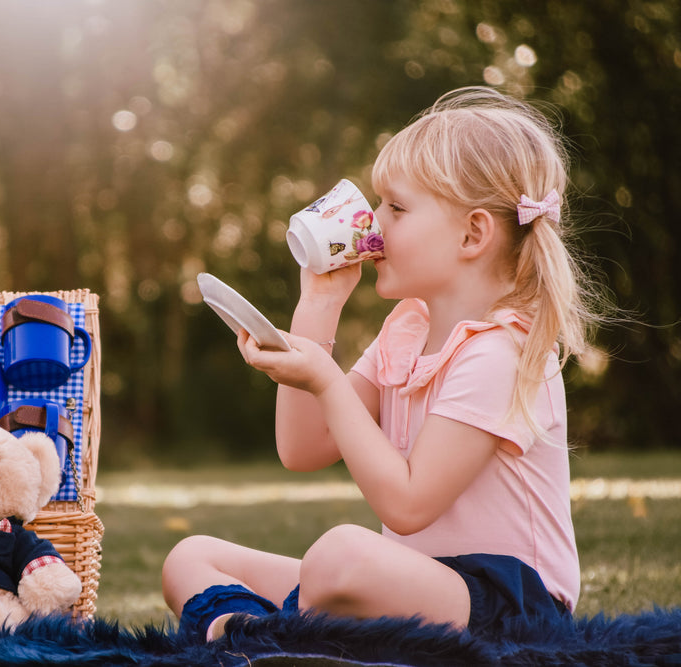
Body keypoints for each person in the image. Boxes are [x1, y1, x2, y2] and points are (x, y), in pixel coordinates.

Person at [162, 87, 606, 640]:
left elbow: (408, 506)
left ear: (473, 234)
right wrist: (318, 307)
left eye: (395, 208)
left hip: (508, 609)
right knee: (192, 555)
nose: (372, 224)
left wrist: (326, 381)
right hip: (412, 590)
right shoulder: (408, 330)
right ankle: (253, 638)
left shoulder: (501, 351)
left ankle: (255, 635)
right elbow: (302, 450)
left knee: (342, 555)